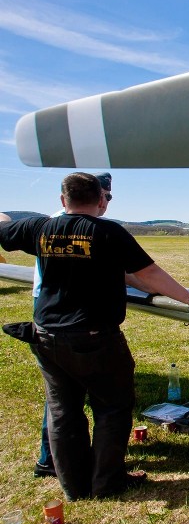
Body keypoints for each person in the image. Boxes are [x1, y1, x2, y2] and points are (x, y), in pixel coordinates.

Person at [0, 172, 189, 501]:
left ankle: (73, 488)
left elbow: (4, 227)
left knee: (63, 412)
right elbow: (149, 273)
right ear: (100, 199)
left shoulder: (39, 228)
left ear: (63, 201)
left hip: (46, 336)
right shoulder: (107, 232)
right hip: (94, 338)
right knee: (113, 409)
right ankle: (107, 483)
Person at [31, 172, 112, 479]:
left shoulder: (46, 225)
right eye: (103, 196)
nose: (105, 204)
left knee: (60, 397)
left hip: (48, 317)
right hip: (72, 320)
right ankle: (86, 469)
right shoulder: (83, 228)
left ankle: (54, 462)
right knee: (89, 399)